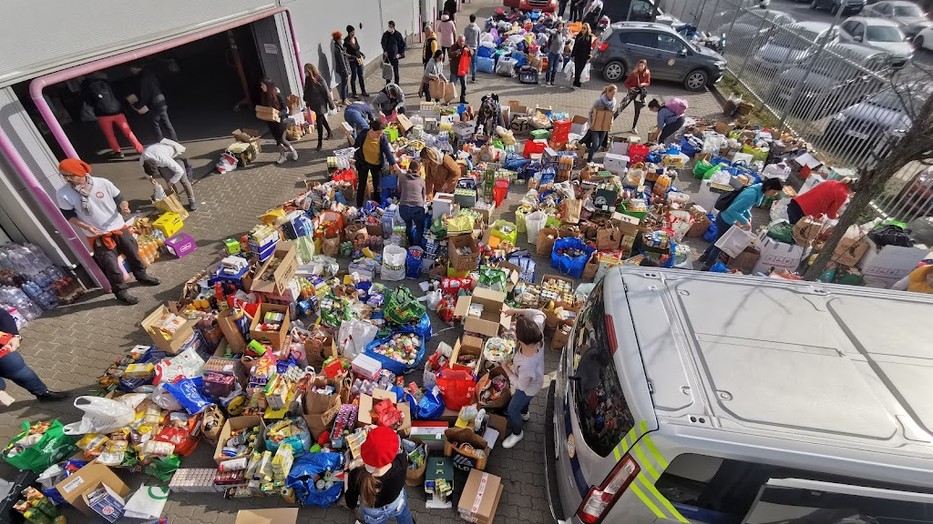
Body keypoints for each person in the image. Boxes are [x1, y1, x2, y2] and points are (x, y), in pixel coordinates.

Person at [55, 159, 161, 304]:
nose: (68, 179)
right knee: (111, 266)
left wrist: (124, 207)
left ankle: (141, 275)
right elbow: (69, 216)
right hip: (97, 235)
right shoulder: (64, 194)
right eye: (64, 176)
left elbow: (120, 199)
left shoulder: (102, 183)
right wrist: (86, 227)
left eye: (71, 175)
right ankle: (121, 292)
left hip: (118, 227)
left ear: (81, 172)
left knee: (133, 254)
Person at [700, 178, 784, 271]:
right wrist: (745, 222)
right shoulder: (752, 195)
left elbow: (744, 206)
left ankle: (704, 256)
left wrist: (748, 216)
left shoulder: (757, 190)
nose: (774, 195)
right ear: (768, 188)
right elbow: (732, 209)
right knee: (720, 245)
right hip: (726, 220)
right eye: (774, 192)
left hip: (725, 217)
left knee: (719, 240)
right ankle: (707, 266)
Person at [345, 426, 413, 524]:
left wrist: (346, 471)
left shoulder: (356, 475)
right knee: (405, 518)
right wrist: (377, 430)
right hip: (397, 503)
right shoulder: (401, 462)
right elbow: (396, 447)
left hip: (373, 513)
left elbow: (350, 503)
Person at [500, 308, 546, 449]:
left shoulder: (527, 364)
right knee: (524, 401)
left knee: (512, 409)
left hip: (528, 387)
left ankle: (517, 433)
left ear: (519, 339)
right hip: (535, 382)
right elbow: (540, 314)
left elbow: (520, 386)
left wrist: (505, 368)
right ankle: (525, 413)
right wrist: (514, 310)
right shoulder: (537, 333)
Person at [0, 309, 67, 402]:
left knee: (19, 370)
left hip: (2, 351)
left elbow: (1, 315)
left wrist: (15, 336)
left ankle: (43, 394)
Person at [82, 73, 144, 159]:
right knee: (128, 132)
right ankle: (140, 150)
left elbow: (89, 103)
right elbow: (117, 95)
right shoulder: (106, 83)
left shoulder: (88, 87)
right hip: (118, 112)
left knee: (110, 135)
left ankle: (118, 152)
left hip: (103, 115)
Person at [140, 139, 197, 211]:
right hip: (161, 157)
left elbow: (180, 171)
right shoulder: (143, 159)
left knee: (183, 180)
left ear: (156, 164)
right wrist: (150, 178)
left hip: (174, 155)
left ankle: (192, 201)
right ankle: (176, 201)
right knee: (168, 181)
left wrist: (172, 181)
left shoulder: (162, 159)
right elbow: (143, 170)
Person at [354, 119, 398, 207]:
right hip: (363, 163)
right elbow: (356, 145)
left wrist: (394, 164)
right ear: (372, 130)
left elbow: (387, 152)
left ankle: (377, 206)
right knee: (362, 185)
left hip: (376, 165)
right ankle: (359, 206)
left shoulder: (382, 138)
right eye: (378, 133)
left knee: (377, 187)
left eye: (381, 133)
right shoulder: (364, 134)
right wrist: (348, 136)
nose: (380, 135)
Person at [129, 64, 178, 142]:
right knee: (166, 122)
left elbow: (145, 95)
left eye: (132, 69)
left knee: (155, 125)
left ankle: (160, 142)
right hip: (161, 100)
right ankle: (175, 141)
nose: (131, 71)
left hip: (154, 104)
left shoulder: (143, 79)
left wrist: (139, 106)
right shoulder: (152, 75)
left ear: (137, 68)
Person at [259, 79, 298, 165]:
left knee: (282, 139)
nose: (261, 87)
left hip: (281, 121)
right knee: (277, 140)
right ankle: (282, 156)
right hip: (270, 122)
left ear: (268, 86)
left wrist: (278, 114)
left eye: (263, 85)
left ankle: (293, 151)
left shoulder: (278, 95)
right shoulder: (264, 96)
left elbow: (285, 109)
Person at [787, 178, 854, 225]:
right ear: (852, 191)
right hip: (803, 213)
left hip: (795, 203)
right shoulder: (843, 194)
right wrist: (837, 216)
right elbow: (831, 214)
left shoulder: (832, 182)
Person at [302, 63, 335, 151]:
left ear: (310, 70)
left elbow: (326, 92)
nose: (305, 73)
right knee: (322, 118)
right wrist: (306, 100)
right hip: (314, 103)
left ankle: (319, 142)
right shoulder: (308, 79)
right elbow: (307, 90)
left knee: (319, 122)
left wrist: (331, 104)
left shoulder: (320, 79)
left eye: (306, 71)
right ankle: (329, 131)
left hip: (321, 103)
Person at [586, 85, 618, 163]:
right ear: (607, 92)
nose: (613, 96)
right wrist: (591, 124)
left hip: (604, 127)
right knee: (595, 144)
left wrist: (611, 122)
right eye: (612, 94)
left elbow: (611, 114)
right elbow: (590, 112)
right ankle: (589, 161)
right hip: (595, 127)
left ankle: (589, 151)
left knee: (599, 145)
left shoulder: (613, 102)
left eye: (614, 94)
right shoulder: (599, 101)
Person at [399, 159, 426, 248]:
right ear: (419, 170)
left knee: (408, 224)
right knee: (419, 228)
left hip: (403, 209)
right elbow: (423, 197)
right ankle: (416, 247)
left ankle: (410, 243)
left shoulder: (402, 178)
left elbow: (400, 191)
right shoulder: (422, 181)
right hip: (417, 208)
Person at [621, 59, 651, 132]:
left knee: (637, 112)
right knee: (621, 107)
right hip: (632, 93)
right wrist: (630, 88)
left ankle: (633, 128)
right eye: (639, 66)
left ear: (645, 66)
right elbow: (626, 83)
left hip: (639, 94)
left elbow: (648, 82)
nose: (640, 67)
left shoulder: (647, 73)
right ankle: (610, 122)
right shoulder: (634, 73)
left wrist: (643, 84)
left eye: (642, 66)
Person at [344, 25, 369, 99]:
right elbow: (344, 52)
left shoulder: (355, 38)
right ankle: (354, 93)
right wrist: (350, 57)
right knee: (354, 76)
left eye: (354, 32)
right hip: (353, 61)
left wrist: (361, 54)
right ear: (349, 32)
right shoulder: (346, 41)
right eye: (352, 32)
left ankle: (363, 91)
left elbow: (357, 49)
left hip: (359, 59)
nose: (353, 33)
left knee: (361, 75)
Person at [381, 21, 407, 86]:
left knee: (396, 72)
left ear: (393, 27)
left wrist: (400, 54)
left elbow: (403, 45)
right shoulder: (386, 34)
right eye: (389, 26)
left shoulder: (398, 34)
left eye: (391, 27)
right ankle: (388, 86)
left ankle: (397, 85)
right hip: (387, 57)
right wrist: (385, 51)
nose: (389, 28)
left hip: (395, 57)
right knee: (388, 73)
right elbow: (383, 43)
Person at [448, 36, 471, 105]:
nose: (461, 43)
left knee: (464, 85)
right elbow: (449, 54)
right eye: (460, 41)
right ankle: (448, 99)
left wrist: (469, 51)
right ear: (457, 41)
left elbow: (472, 53)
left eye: (462, 41)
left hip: (463, 70)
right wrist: (456, 53)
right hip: (454, 70)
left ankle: (462, 99)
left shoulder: (466, 46)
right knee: (452, 86)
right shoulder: (453, 46)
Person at [331, 31, 351, 106]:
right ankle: (344, 99)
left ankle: (345, 98)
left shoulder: (339, 46)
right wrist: (346, 72)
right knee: (344, 84)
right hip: (342, 70)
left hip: (343, 68)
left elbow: (344, 53)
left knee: (345, 83)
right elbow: (342, 61)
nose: (342, 39)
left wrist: (348, 55)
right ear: (338, 39)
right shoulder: (337, 49)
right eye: (341, 38)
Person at [544, 22, 567, 86]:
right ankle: (547, 80)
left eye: (561, 27)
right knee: (550, 68)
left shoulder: (562, 34)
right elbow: (552, 32)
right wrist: (548, 30)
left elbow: (562, 45)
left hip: (558, 54)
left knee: (555, 69)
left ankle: (552, 80)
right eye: (559, 26)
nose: (560, 28)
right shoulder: (555, 33)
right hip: (552, 53)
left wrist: (561, 53)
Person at [571, 24, 593, 88]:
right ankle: (575, 83)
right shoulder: (579, 35)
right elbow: (575, 45)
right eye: (582, 28)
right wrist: (572, 54)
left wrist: (589, 56)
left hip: (584, 56)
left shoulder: (589, 37)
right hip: (577, 55)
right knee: (576, 70)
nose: (583, 29)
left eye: (584, 28)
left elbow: (589, 47)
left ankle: (578, 83)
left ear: (587, 29)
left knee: (580, 70)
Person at [464, 14, 482, 83]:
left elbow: (465, 39)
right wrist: (478, 47)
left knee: (466, 62)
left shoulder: (466, 28)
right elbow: (479, 39)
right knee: (474, 63)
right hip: (474, 47)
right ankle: (473, 77)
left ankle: (465, 75)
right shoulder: (477, 29)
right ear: (475, 19)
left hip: (468, 47)